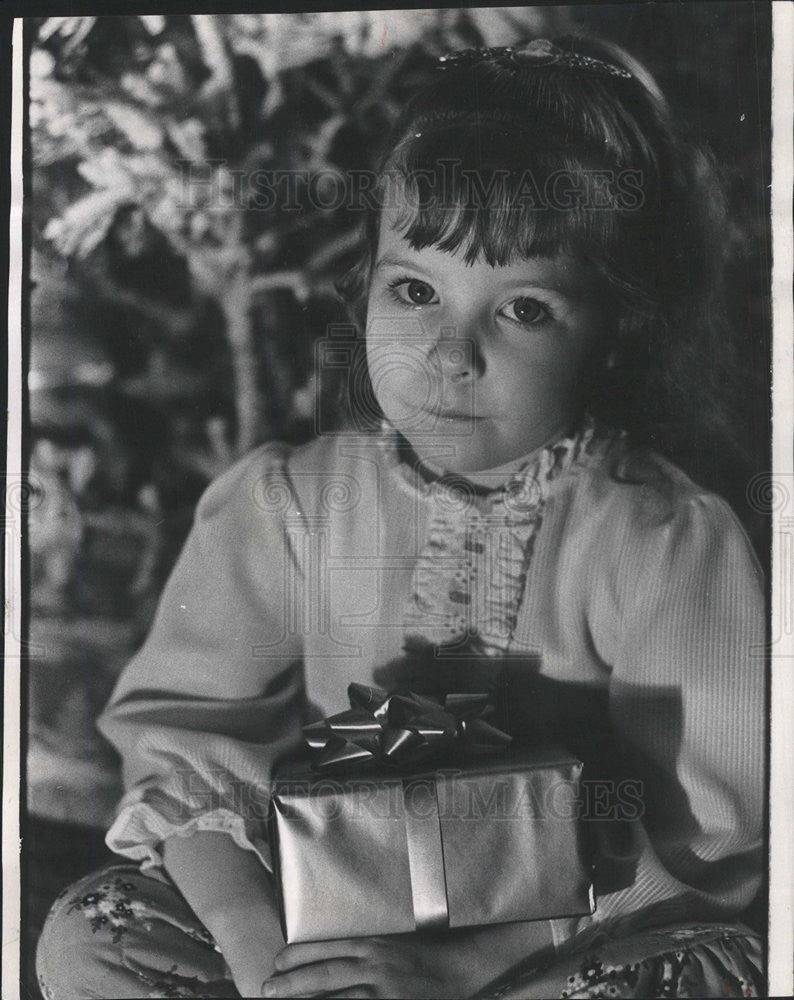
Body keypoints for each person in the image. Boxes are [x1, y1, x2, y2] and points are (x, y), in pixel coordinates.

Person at [36, 37, 765, 999]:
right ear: (367, 282)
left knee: (703, 977)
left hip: (544, 954)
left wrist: (461, 970)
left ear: (617, 332)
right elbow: (187, 743)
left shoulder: (664, 541)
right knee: (95, 932)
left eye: (525, 311)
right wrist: (264, 956)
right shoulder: (288, 506)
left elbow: (708, 838)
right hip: (322, 921)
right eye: (415, 290)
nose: (447, 356)